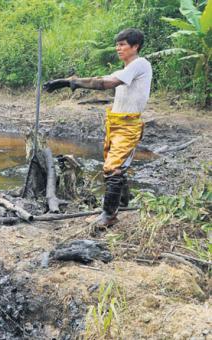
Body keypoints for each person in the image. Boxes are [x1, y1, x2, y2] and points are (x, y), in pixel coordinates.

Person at [43, 28, 152, 227]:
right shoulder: (125, 69)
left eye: (123, 44)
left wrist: (71, 82)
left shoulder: (140, 64)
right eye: (117, 44)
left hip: (128, 125)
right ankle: (123, 204)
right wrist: (68, 82)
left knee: (112, 167)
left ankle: (109, 215)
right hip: (116, 123)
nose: (118, 48)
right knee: (118, 166)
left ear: (135, 46)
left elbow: (105, 84)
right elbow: (100, 78)